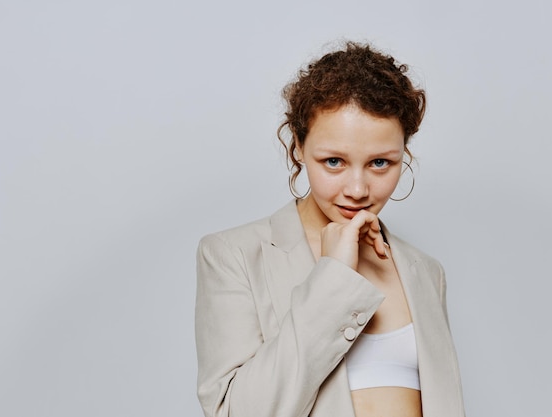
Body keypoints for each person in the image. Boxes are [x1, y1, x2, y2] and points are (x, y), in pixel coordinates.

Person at [195, 41, 466, 417]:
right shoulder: (234, 256)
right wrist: (333, 278)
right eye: (334, 161)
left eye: (380, 163)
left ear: (404, 154)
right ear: (297, 148)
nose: (357, 190)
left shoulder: (425, 270)